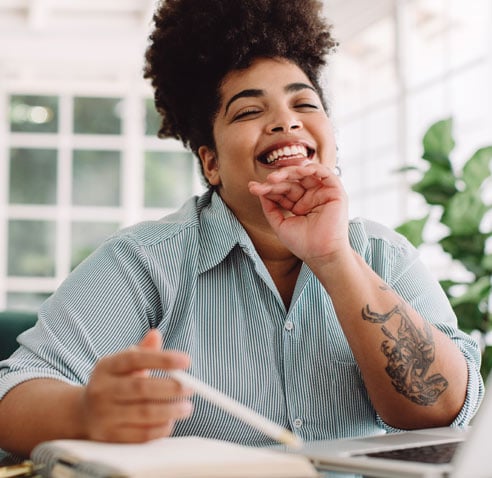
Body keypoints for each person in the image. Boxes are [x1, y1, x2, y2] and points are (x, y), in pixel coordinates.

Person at [0, 0, 484, 458]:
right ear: (210, 162)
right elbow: (13, 395)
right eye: (250, 111)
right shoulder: (143, 264)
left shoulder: (384, 255)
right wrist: (85, 412)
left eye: (306, 105)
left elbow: (440, 411)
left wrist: (334, 257)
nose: (285, 122)